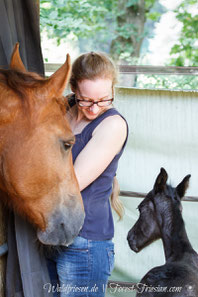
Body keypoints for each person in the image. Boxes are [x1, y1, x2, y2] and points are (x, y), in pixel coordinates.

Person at [46, 52, 128, 297]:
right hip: (51, 234)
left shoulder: (112, 125)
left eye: (104, 99)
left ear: (113, 87)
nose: (94, 108)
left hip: (85, 244)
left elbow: (73, 183)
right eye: (86, 100)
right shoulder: (63, 108)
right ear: (73, 89)